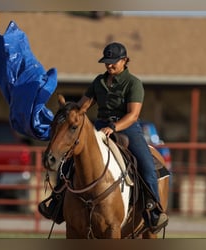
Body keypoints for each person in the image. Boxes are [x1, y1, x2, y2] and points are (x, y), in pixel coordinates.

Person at [39, 42, 168, 234]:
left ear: (124, 60)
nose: (109, 65)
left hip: (128, 128)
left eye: (113, 62)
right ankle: (57, 202)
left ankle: (152, 209)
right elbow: (83, 106)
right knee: (69, 161)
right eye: (106, 62)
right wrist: (69, 112)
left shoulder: (133, 83)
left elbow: (133, 115)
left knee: (147, 164)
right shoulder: (98, 82)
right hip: (99, 125)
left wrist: (114, 127)